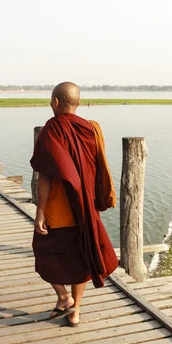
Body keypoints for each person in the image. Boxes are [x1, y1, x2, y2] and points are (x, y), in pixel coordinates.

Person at [31, 82, 118, 327]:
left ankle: (63, 297)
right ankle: (75, 311)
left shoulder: (53, 128)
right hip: (85, 208)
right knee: (81, 257)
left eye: (51, 100)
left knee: (43, 252)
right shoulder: (92, 128)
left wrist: (39, 212)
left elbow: (45, 175)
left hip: (58, 210)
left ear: (56, 102)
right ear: (78, 102)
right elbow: (99, 165)